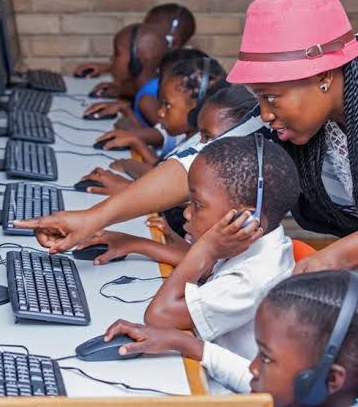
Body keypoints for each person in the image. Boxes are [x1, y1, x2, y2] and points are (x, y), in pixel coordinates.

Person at [18, 0, 358, 406]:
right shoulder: (295, 109)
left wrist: (333, 260)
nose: (266, 113)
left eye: (272, 97)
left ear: (324, 76)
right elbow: (200, 160)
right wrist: (97, 217)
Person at [103, 270, 358, 406]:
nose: (253, 368)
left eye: (266, 358)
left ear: (331, 379)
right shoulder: (320, 396)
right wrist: (184, 343)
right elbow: (258, 381)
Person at [144, 135, 297, 368]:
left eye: (197, 204)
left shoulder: (251, 280)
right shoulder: (257, 243)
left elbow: (159, 316)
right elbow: (205, 273)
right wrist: (136, 244)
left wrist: (205, 248)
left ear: (245, 219)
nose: (186, 213)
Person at [77, 86, 262, 256]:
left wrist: (137, 243)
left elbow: (203, 266)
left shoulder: (243, 219)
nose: (200, 146)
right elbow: (197, 259)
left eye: (209, 138)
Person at [79, 57, 228, 196]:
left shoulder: (205, 152)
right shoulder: (190, 139)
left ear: (197, 110)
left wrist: (127, 187)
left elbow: (174, 193)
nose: (160, 112)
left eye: (167, 105)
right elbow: (162, 172)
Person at [74, 3, 195, 97]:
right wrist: (109, 67)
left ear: (174, 42)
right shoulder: (165, 62)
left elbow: (153, 94)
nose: (143, 32)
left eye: (151, 31)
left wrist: (122, 93)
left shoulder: (184, 73)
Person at [82, 23, 168, 127]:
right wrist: (121, 94)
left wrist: (126, 111)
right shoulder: (153, 85)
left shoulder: (146, 101)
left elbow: (165, 137)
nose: (112, 59)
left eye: (117, 54)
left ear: (135, 61)